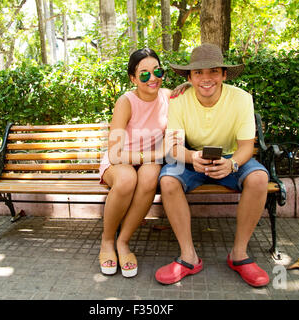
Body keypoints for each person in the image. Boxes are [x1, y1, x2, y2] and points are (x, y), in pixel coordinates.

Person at [155, 43, 271, 287]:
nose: (206, 78)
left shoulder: (241, 99)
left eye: (213, 71)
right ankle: (189, 257)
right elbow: (174, 148)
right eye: (198, 73)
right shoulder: (178, 101)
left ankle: (239, 255)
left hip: (231, 159)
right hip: (191, 160)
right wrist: (192, 158)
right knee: (167, 180)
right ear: (189, 77)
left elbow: (246, 147)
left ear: (224, 74)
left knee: (259, 178)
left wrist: (231, 165)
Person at [98, 48, 183, 278]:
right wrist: (150, 156)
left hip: (150, 160)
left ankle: (123, 242)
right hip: (122, 159)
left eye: (157, 71)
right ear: (133, 78)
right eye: (144, 74)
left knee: (148, 177)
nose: (152, 78)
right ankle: (107, 241)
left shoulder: (168, 96)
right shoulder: (126, 102)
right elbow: (115, 153)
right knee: (127, 179)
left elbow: (194, 93)